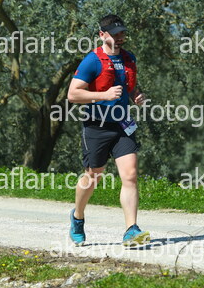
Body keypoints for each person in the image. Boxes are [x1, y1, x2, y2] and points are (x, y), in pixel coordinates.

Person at [67, 14, 150, 247]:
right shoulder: (92, 61)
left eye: (122, 33)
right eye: (115, 34)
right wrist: (103, 95)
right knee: (93, 176)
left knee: (130, 175)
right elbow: (73, 94)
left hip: (122, 125)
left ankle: (131, 230)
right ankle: (77, 217)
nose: (120, 37)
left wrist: (136, 96)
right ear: (102, 35)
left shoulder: (129, 58)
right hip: (96, 126)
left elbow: (128, 87)